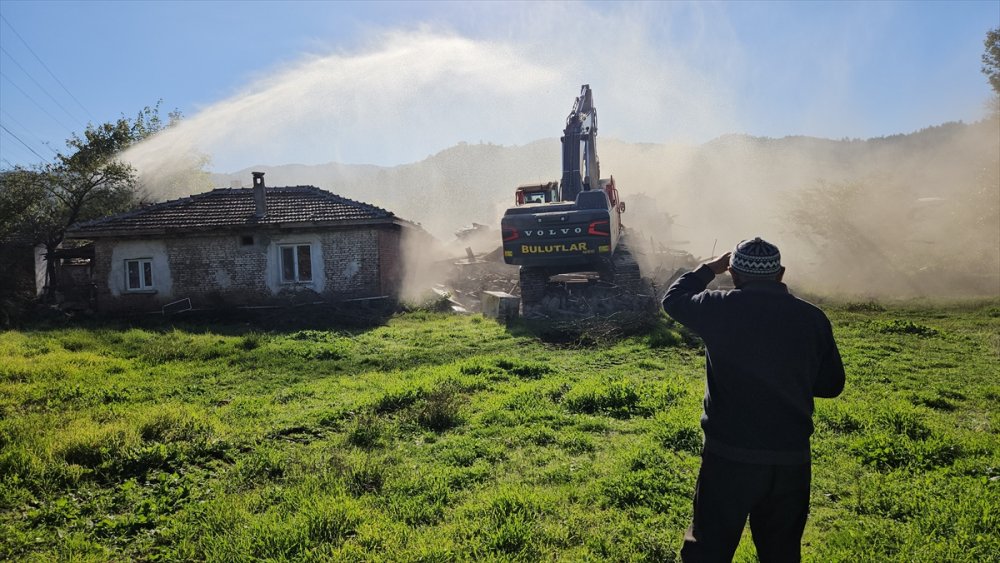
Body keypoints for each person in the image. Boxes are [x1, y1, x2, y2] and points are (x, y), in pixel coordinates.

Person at [661, 237, 845, 563]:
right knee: (781, 554)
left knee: (708, 551)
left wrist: (708, 268)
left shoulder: (717, 307)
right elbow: (831, 385)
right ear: (781, 273)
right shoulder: (813, 318)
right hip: (791, 460)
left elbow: (673, 300)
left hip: (728, 458)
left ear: (733, 274)